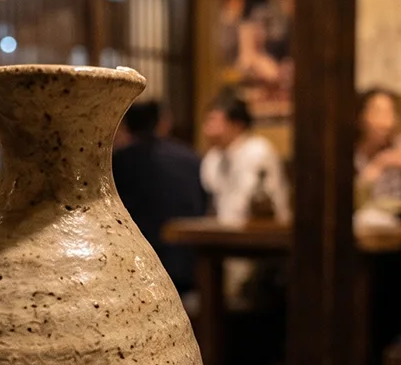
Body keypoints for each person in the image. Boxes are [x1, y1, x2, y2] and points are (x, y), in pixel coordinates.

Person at [111, 99, 205, 294]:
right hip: (191, 265)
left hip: (141, 269)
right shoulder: (190, 157)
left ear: (125, 126)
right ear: (163, 123)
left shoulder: (118, 162)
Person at [200, 90, 290, 225]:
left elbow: (259, 204)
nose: (207, 127)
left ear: (238, 124)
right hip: (223, 235)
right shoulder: (212, 158)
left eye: (213, 120)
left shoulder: (258, 151)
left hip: (261, 235)